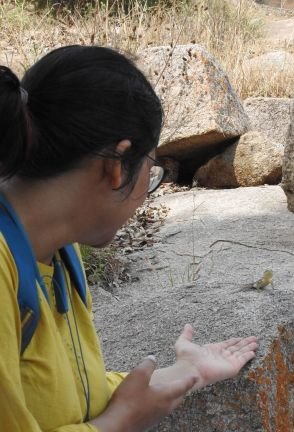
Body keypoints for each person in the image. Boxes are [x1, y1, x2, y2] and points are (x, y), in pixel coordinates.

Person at [0, 45, 258, 432]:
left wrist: (185, 373)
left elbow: (59, 396)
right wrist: (121, 422)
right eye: (152, 171)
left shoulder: (58, 253)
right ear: (119, 164)